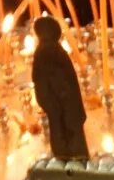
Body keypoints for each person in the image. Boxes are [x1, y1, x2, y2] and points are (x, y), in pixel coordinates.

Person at [32, 16, 88, 159]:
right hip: (62, 106)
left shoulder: (49, 49)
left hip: (65, 104)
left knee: (68, 132)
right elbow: (50, 80)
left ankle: (72, 157)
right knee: (66, 134)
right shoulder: (48, 51)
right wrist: (56, 102)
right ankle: (71, 159)